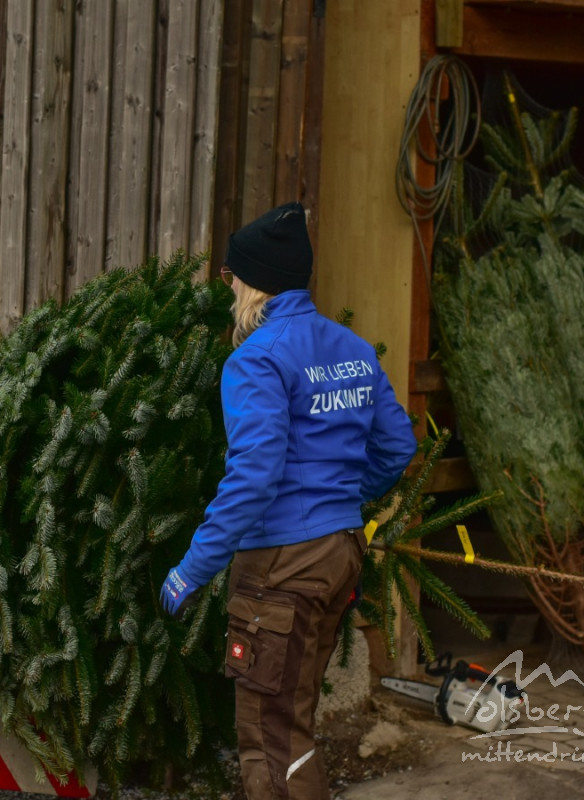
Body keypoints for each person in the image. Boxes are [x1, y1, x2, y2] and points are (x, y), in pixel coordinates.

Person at [159, 203, 417, 799]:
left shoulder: (256, 359)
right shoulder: (352, 349)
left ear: (254, 282)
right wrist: (341, 503)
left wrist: (189, 570)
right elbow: (397, 444)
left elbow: (253, 476)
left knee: (270, 736)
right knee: (293, 722)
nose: (228, 287)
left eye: (232, 276)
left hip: (281, 567)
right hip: (339, 555)